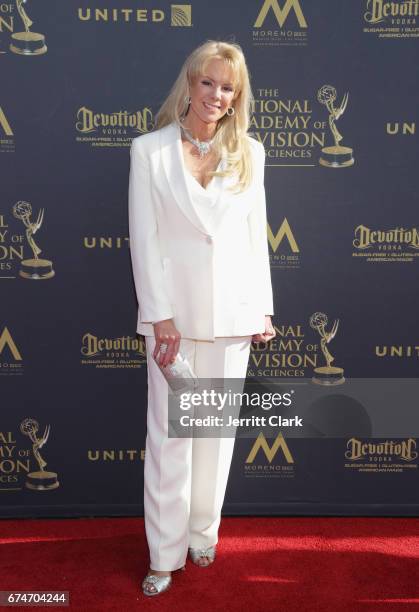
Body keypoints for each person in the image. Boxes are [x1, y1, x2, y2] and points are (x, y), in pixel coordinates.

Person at [128, 39, 276, 596]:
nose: (216, 95)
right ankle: (163, 556)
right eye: (208, 82)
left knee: (216, 433)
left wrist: (262, 306)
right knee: (171, 436)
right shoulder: (150, 151)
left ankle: (201, 535)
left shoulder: (251, 153)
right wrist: (159, 314)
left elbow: (254, 235)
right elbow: (144, 239)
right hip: (176, 322)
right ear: (189, 84)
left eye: (227, 87)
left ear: (238, 97)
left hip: (234, 317)